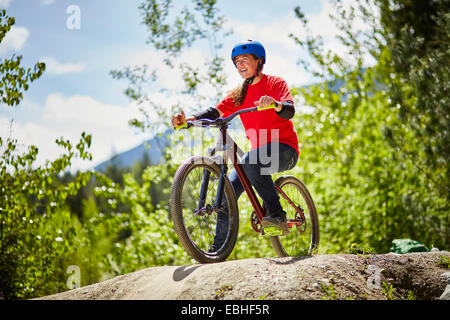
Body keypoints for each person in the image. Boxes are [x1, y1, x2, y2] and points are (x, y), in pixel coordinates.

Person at [171, 40, 299, 251]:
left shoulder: (275, 83)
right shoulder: (238, 94)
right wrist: (189, 120)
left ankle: (277, 216)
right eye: (237, 61)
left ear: (259, 61)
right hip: (258, 156)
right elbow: (215, 112)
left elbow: (289, 110)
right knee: (225, 195)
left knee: (251, 160)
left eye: (245, 60)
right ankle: (215, 251)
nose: (240, 65)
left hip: (285, 149)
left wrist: (274, 104)